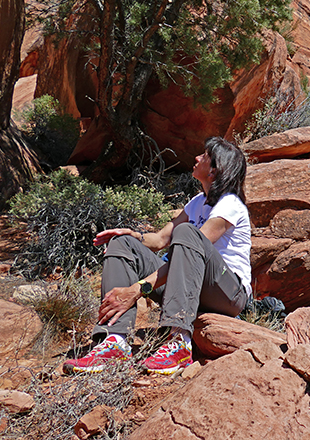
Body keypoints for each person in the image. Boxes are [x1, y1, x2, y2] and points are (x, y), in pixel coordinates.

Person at [63, 137, 251, 375]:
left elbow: (193, 247)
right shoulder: (197, 203)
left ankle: (179, 343)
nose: (196, 158)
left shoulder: (230, 204)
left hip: (227, 293)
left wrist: (137, 290)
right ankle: (115, 343)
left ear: (215, 169)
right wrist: (133, 234)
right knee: (122, 243)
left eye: (204, 156)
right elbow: (161, 239)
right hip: (191, 285)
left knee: (187, 233)